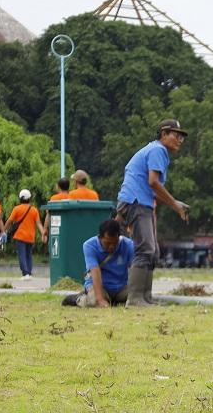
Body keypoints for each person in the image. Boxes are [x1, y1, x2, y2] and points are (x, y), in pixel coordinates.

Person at [115, 119, 190, 307]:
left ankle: (146, 298)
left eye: (181, 137)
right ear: (163, 134)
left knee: (152, 251)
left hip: (140, 201)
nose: (179, 140)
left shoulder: (155, 150)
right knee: (145, 249)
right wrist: (175, 204)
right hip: (136, 201)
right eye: (176, 135)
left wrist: (173, 203)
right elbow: (153, 182)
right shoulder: (158, 150)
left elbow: (153, 188)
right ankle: (135, 299)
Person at [77, 218, 134, 308]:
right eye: (107, 243)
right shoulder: (89, 246)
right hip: (100, 287)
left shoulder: (129, 245)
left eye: (115, 243)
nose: (111, 246)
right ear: (100, 237)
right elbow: (95, 272)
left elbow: (134, 268)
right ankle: (80, 299)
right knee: (95, 301)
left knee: (136, 296)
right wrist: (100, 300)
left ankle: (111, 300)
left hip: (121, 288)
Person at [5, 189, 45, 281]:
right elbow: (38, 223)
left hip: (20, 236)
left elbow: (10, 221)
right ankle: (29, 273)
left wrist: (3, 230)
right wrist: (43, 232)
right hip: (30, 236)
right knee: (29, 255)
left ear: (20, 198)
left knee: (22, 255)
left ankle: (25, 273)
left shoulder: (17, 209)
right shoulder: (34, 210)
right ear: (29, 198)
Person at [41, 178, 71, 243]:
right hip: (70, 228)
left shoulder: (54, 198)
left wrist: (45, 229)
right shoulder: (71, 197)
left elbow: (48, 214)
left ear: (58, 187)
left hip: (56, 228)